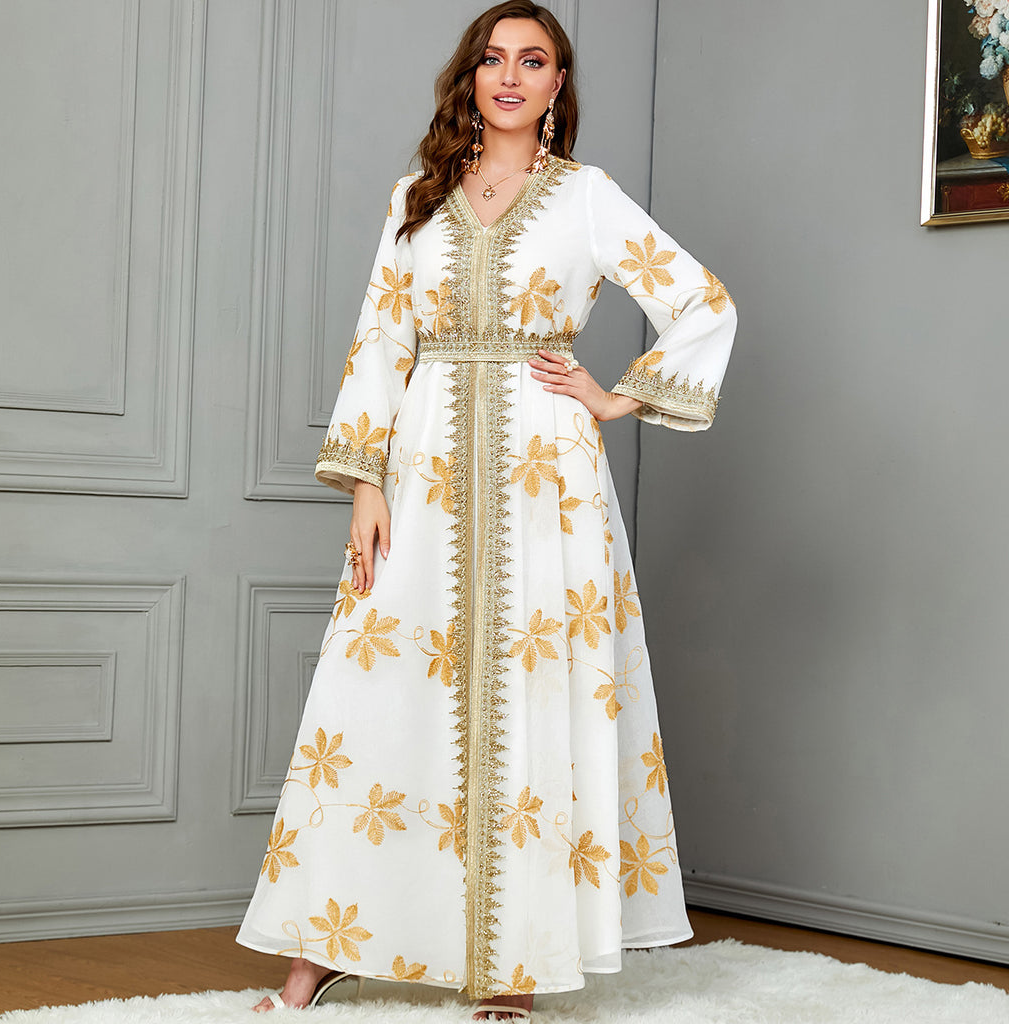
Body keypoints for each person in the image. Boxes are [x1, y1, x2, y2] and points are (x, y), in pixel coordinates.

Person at [236, 2, 736, 1019]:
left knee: (528, 694)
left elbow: (702, 300)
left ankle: (516, 962)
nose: (510, 76)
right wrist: (365, 484)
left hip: (546, 475)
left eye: (533, 60)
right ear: (471, 76)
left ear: (557, 85)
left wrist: (618, 396)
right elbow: (382, 340)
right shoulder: (416, 198)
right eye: (493, 59)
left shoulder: (587, 199)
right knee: (379, 691)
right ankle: (326, 945)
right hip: (420, 468)